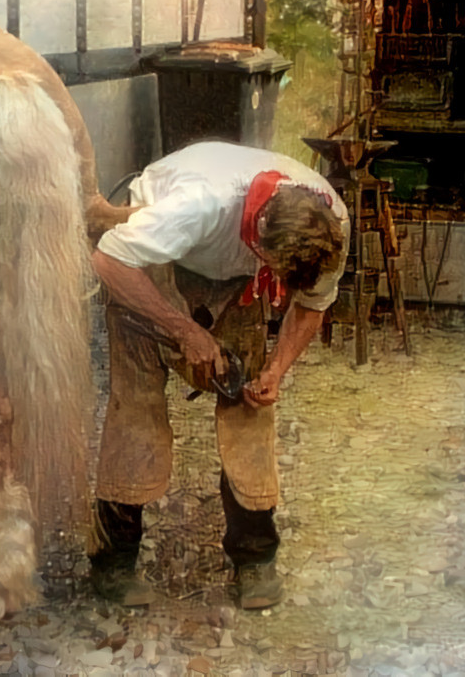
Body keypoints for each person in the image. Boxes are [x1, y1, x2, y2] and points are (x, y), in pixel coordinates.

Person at [89, 140, 349, 610]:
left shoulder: (333, 223)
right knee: (137, 407)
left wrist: (275, 370)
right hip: (146, 260)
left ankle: (255, 554)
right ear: (261, 236)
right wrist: (183, 329)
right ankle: (113, 561)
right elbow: (108, 259)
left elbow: (311, 307)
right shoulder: (199, 204)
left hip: (230, 272)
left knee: (249, 401)